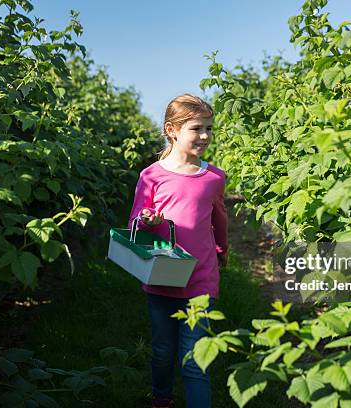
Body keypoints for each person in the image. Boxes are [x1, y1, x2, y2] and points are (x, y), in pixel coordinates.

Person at [128, 93, 228, 408]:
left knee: (194, 359)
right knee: (163, 349)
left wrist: (221, 252)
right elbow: (134, 221)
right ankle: (162, 398)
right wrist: (148, 219)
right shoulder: (152, 176)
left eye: (209, 129)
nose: (205, 136)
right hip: (162, 275)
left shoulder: (213, 178)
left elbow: (219, 219)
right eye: (197, 128)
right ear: (172, 130)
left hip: (201, 278)